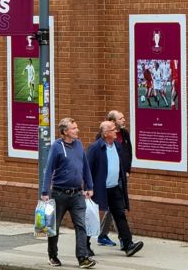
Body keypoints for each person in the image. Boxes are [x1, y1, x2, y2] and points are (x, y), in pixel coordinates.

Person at [41, 118, 96, 268]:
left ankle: (82, 258)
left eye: (76, 127)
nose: (77, 130)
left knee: (81, 226)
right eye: (73, 128)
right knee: (54, 227)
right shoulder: (57, 147)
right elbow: (49, 170)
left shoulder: (79, 145)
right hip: (59, 194)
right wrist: (45, 191)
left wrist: (89, 186)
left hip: (77, 194)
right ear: (65, 132)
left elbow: (85, 168)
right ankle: (53, 256)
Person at [87, 121, 144, 258]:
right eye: (113, 130)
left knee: (120, 215)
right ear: (105, 133)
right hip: (99, 188)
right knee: (91, 216)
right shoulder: (95, 148)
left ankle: (128, 244)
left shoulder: (117, 146)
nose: (115, 132)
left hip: (114, 187)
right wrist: (88, 188)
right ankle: (85, 245)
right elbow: (87, 169)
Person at [95, 111, 133, 247]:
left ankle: (109, 236)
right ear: (112, 121)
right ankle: (123, 239)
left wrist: (127, 170)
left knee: (117, 208)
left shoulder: (123, 135)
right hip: (106, 181)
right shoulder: (99, 142)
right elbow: (96, 162)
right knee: (117, 208)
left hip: (120, 177)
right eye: (120, 118)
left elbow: (128, 152)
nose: (124, 120)